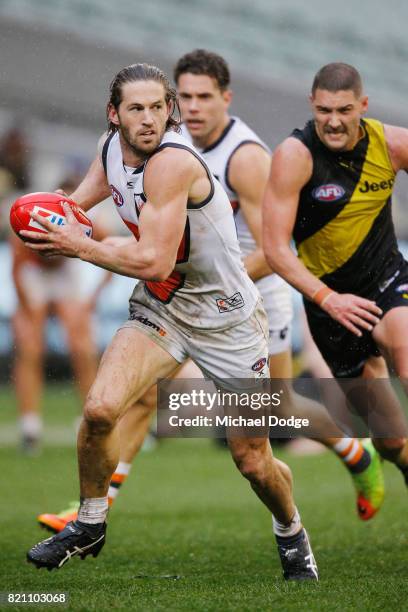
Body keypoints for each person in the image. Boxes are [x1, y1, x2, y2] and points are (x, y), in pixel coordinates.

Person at [37, 51, 384, 535]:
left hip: (252, 289)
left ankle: (355, 450)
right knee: (139, 401)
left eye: (205, 97)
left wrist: (211, 286)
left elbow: (275, 247)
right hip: (185, 291)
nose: (193, 108)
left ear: (226, 98)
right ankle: (94, 510)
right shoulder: (146, 146)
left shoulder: (245, 158)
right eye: (187, 97)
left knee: (277, 409)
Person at [263, 62, 408, 482]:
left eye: (344, 110)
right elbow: (274, 248)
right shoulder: (295, 156)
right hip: (330, 307)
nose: (333, 121)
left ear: (363, 105)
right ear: (312, 103)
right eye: (324, 110)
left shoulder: (393, 144)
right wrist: (328, 298)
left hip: (387, 281)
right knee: (392, 441)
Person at [11, 175, 111, 454]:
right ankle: (29, 426)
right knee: (30, 347)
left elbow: (113, 250)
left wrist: (92, 299)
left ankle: (90, 420)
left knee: (82, 346)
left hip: (67, 272)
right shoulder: (31, 218)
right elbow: (17, 268)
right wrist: (28, 312)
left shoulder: (88, 223)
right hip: (36, 273)